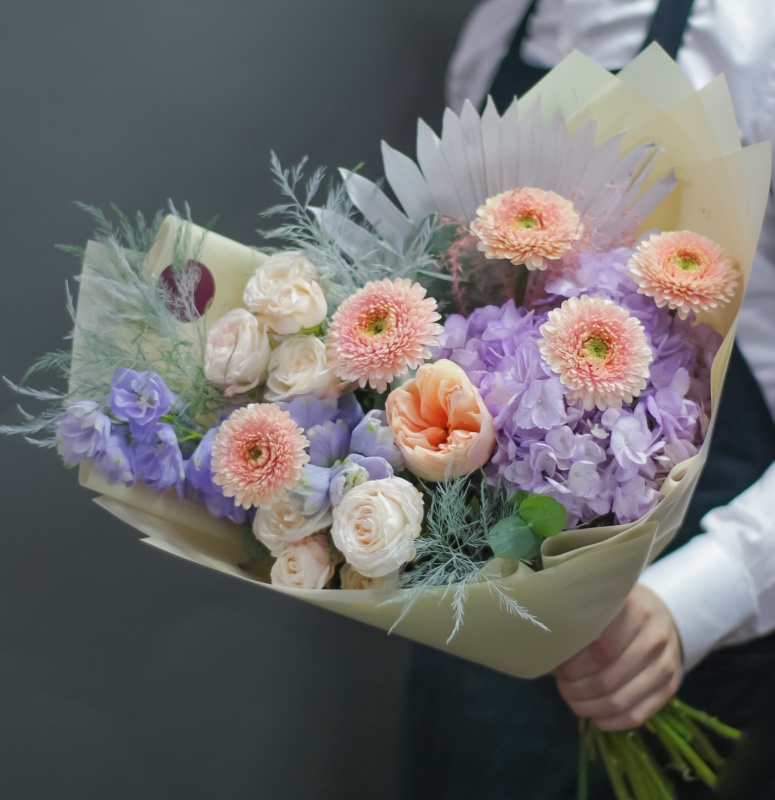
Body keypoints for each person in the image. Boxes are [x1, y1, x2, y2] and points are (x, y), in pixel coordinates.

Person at [401, 2, 775, 797]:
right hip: (480, 602)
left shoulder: (753, 40)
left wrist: (698, 596)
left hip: (687, 630)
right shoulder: (499, 27)